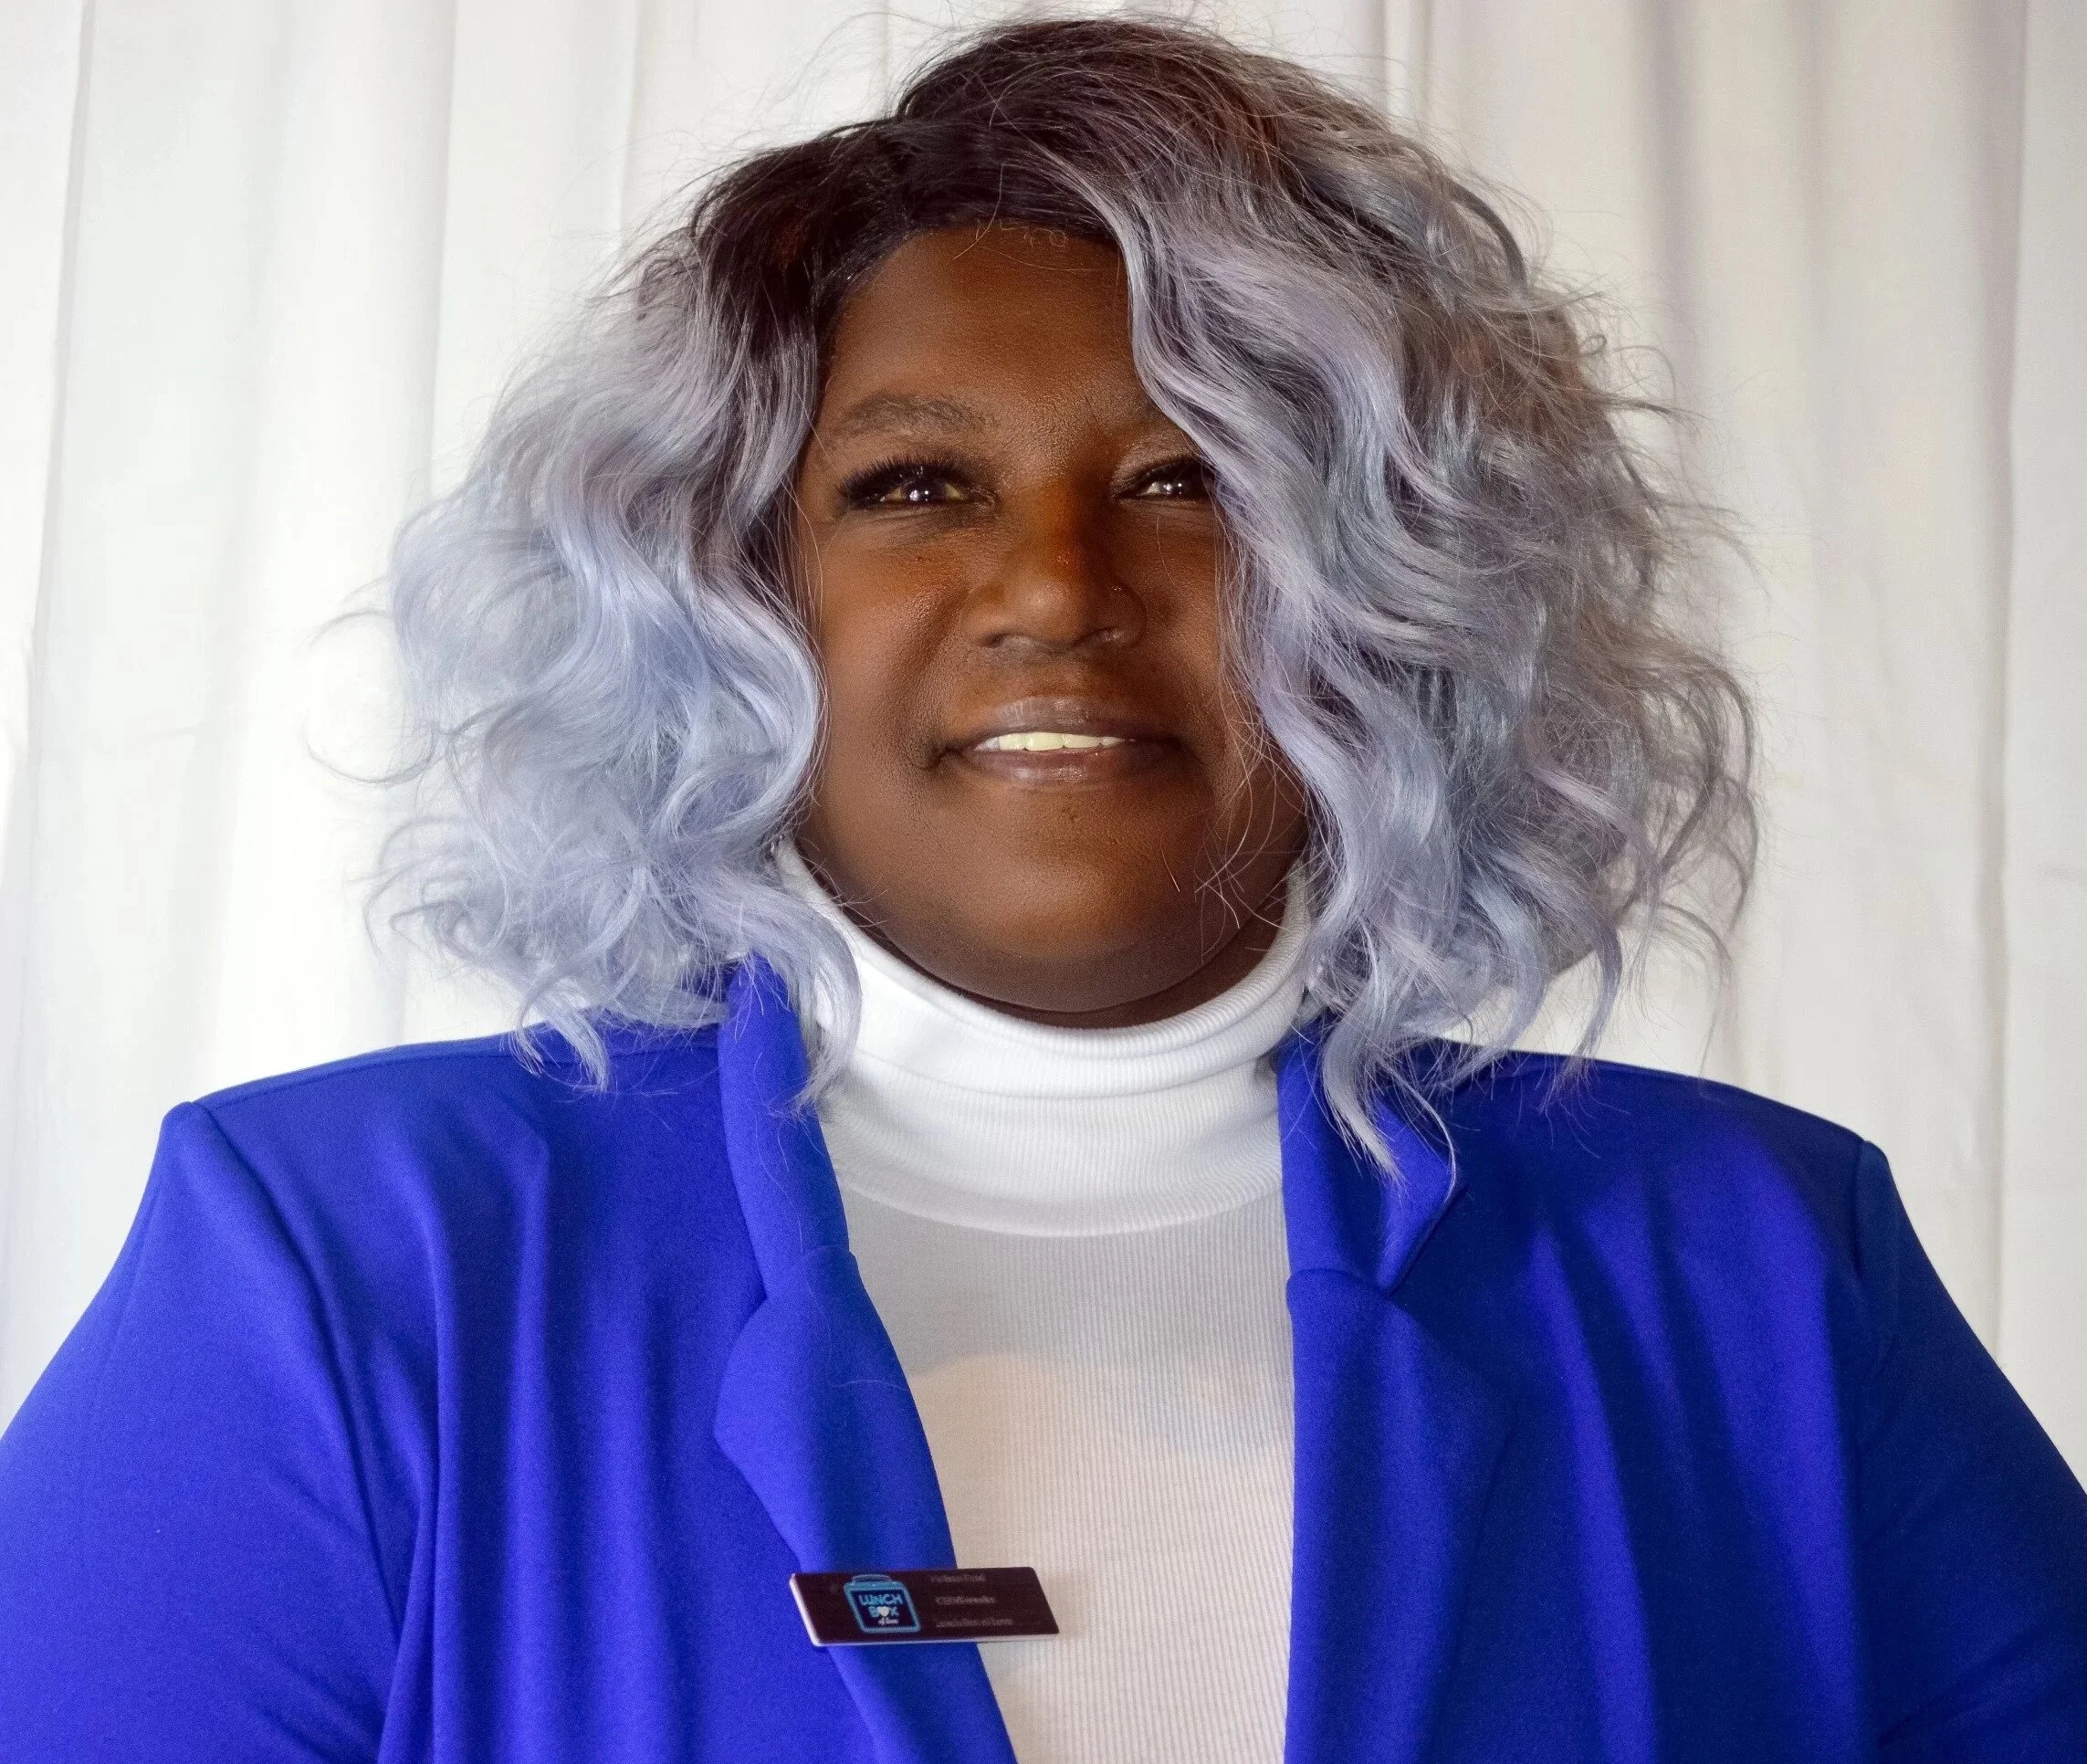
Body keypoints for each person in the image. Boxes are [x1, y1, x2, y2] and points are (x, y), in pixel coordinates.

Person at [2, 16, 2082, 1763]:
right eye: (918, 486)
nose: (1061, 590)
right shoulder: (339, 1278)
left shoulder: (1766, 1274)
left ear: (1396, 599)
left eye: (1194, 484)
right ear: (727, 599)